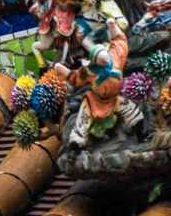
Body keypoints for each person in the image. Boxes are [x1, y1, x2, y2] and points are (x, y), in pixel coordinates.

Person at [55, 18, 146, 147]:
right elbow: (75, 78)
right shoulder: (89, 71)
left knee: (132, 111)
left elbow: (120, 43)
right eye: (100, 58)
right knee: (84, 117)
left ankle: (140, 132)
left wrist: (113, 27)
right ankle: (77, 141)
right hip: (95, 101)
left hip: (115, 99)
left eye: (104, 56)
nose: (104, 59)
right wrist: (62, 70)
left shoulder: (114, 59)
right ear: (94, 61)